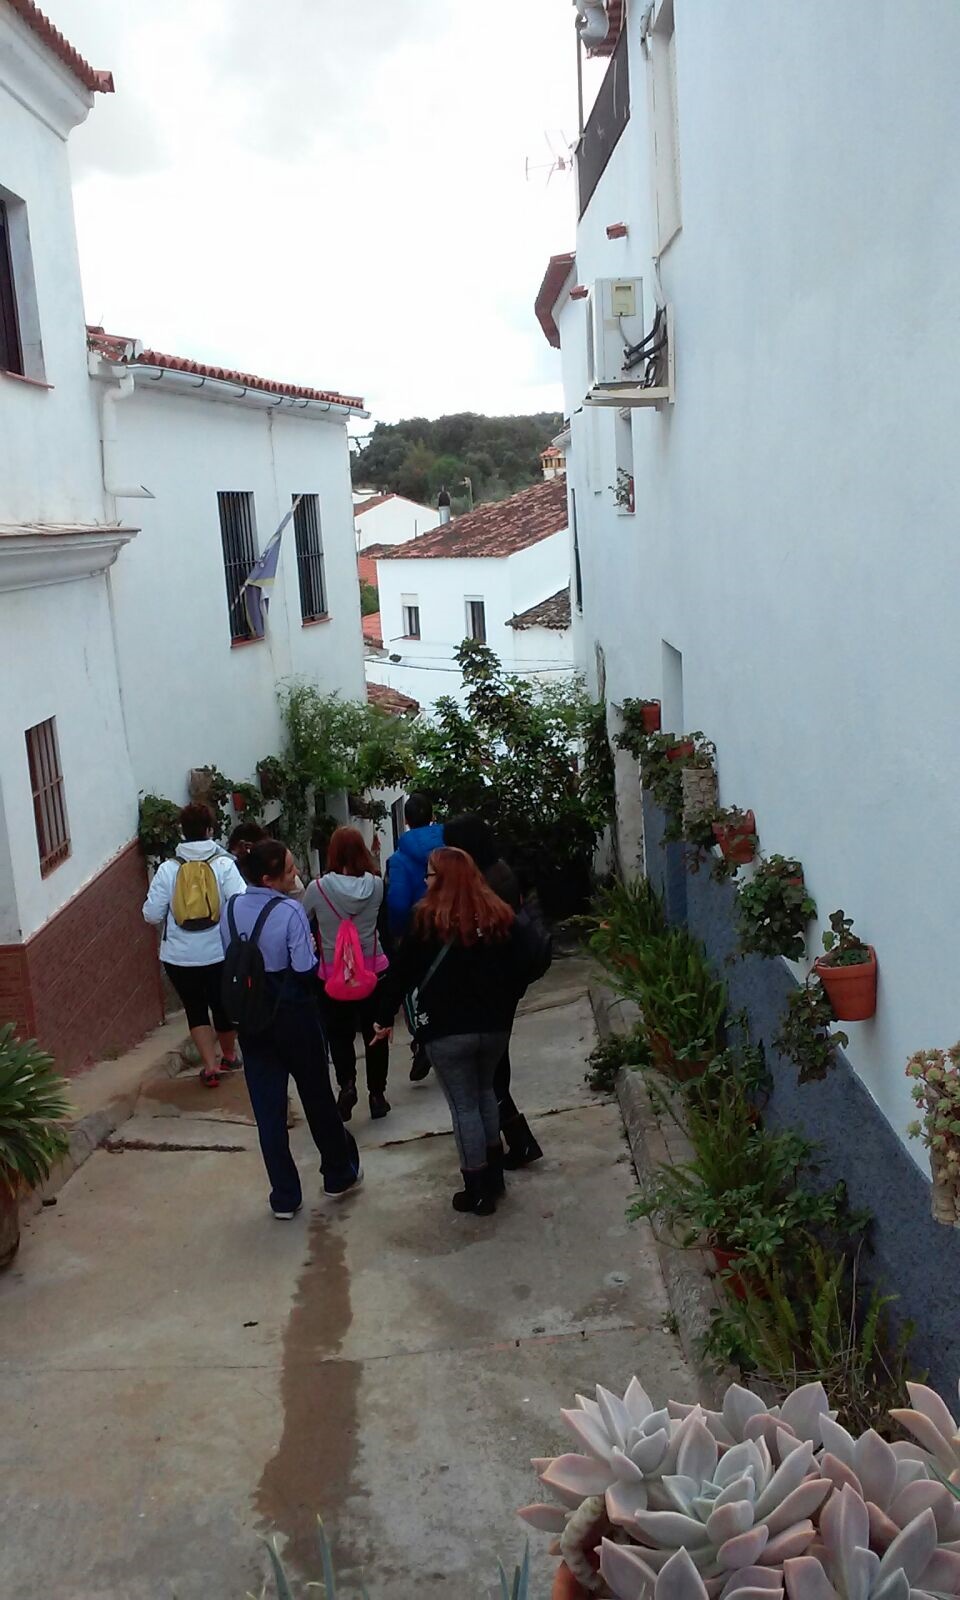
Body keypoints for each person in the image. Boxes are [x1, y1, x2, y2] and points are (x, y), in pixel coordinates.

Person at [372, 846, 538, 1216]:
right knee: (485, 1094)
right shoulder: (498, 914)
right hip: (494, 1027)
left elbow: (401, 974)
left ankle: (476, 1190)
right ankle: (494, 1177)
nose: (425, 880)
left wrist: (382, 1018)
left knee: (464, 1106)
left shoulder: (425, 919)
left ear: (442, 879)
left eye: (430, 874)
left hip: (447, 1030)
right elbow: (524, 960)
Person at [221, 838, 362, 1218]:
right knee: (317, 1097)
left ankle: (284, 1196)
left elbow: (229, 956)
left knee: (269, 1111)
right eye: (288, 869)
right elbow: (303, 968)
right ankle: (338, 1174)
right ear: (268, 879)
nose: (296, 872)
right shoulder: (289, 911)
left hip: (252, 1019)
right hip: (293, 1015)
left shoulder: (230, 908)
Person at [443, 814, 544, 1170]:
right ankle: (514, 1139)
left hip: (492, 987)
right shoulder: (499, 870)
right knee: (494, 1070)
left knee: (489, 1077)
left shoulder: (485, 883)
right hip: (504, 983)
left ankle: (517, 1141)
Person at [142, 802, 248, 1087]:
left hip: (179, 957)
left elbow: (151, 915)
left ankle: (210, 1067)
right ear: (210, 830)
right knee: (222, 1005)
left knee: (195, 1008)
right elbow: (241, 903)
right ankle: (229, 1056)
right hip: (219, 952)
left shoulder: (168, 869)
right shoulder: (224, 865)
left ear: (183, 831)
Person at [302, 826, 391, 1123]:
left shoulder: (317, 889)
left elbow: (303, 919)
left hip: (333, 975)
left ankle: (347, 1084)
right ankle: (377, 1095)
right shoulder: (377, 885)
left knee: (339, 1035)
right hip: (373, 970)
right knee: (375, 1032)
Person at [384, 793, 444, 936]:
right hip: (452, 924)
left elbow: (398, 905)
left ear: (406, 820)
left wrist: (400, 934)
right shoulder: (451, 846)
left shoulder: (398, 860)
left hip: (420, 931)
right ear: (432, 817)